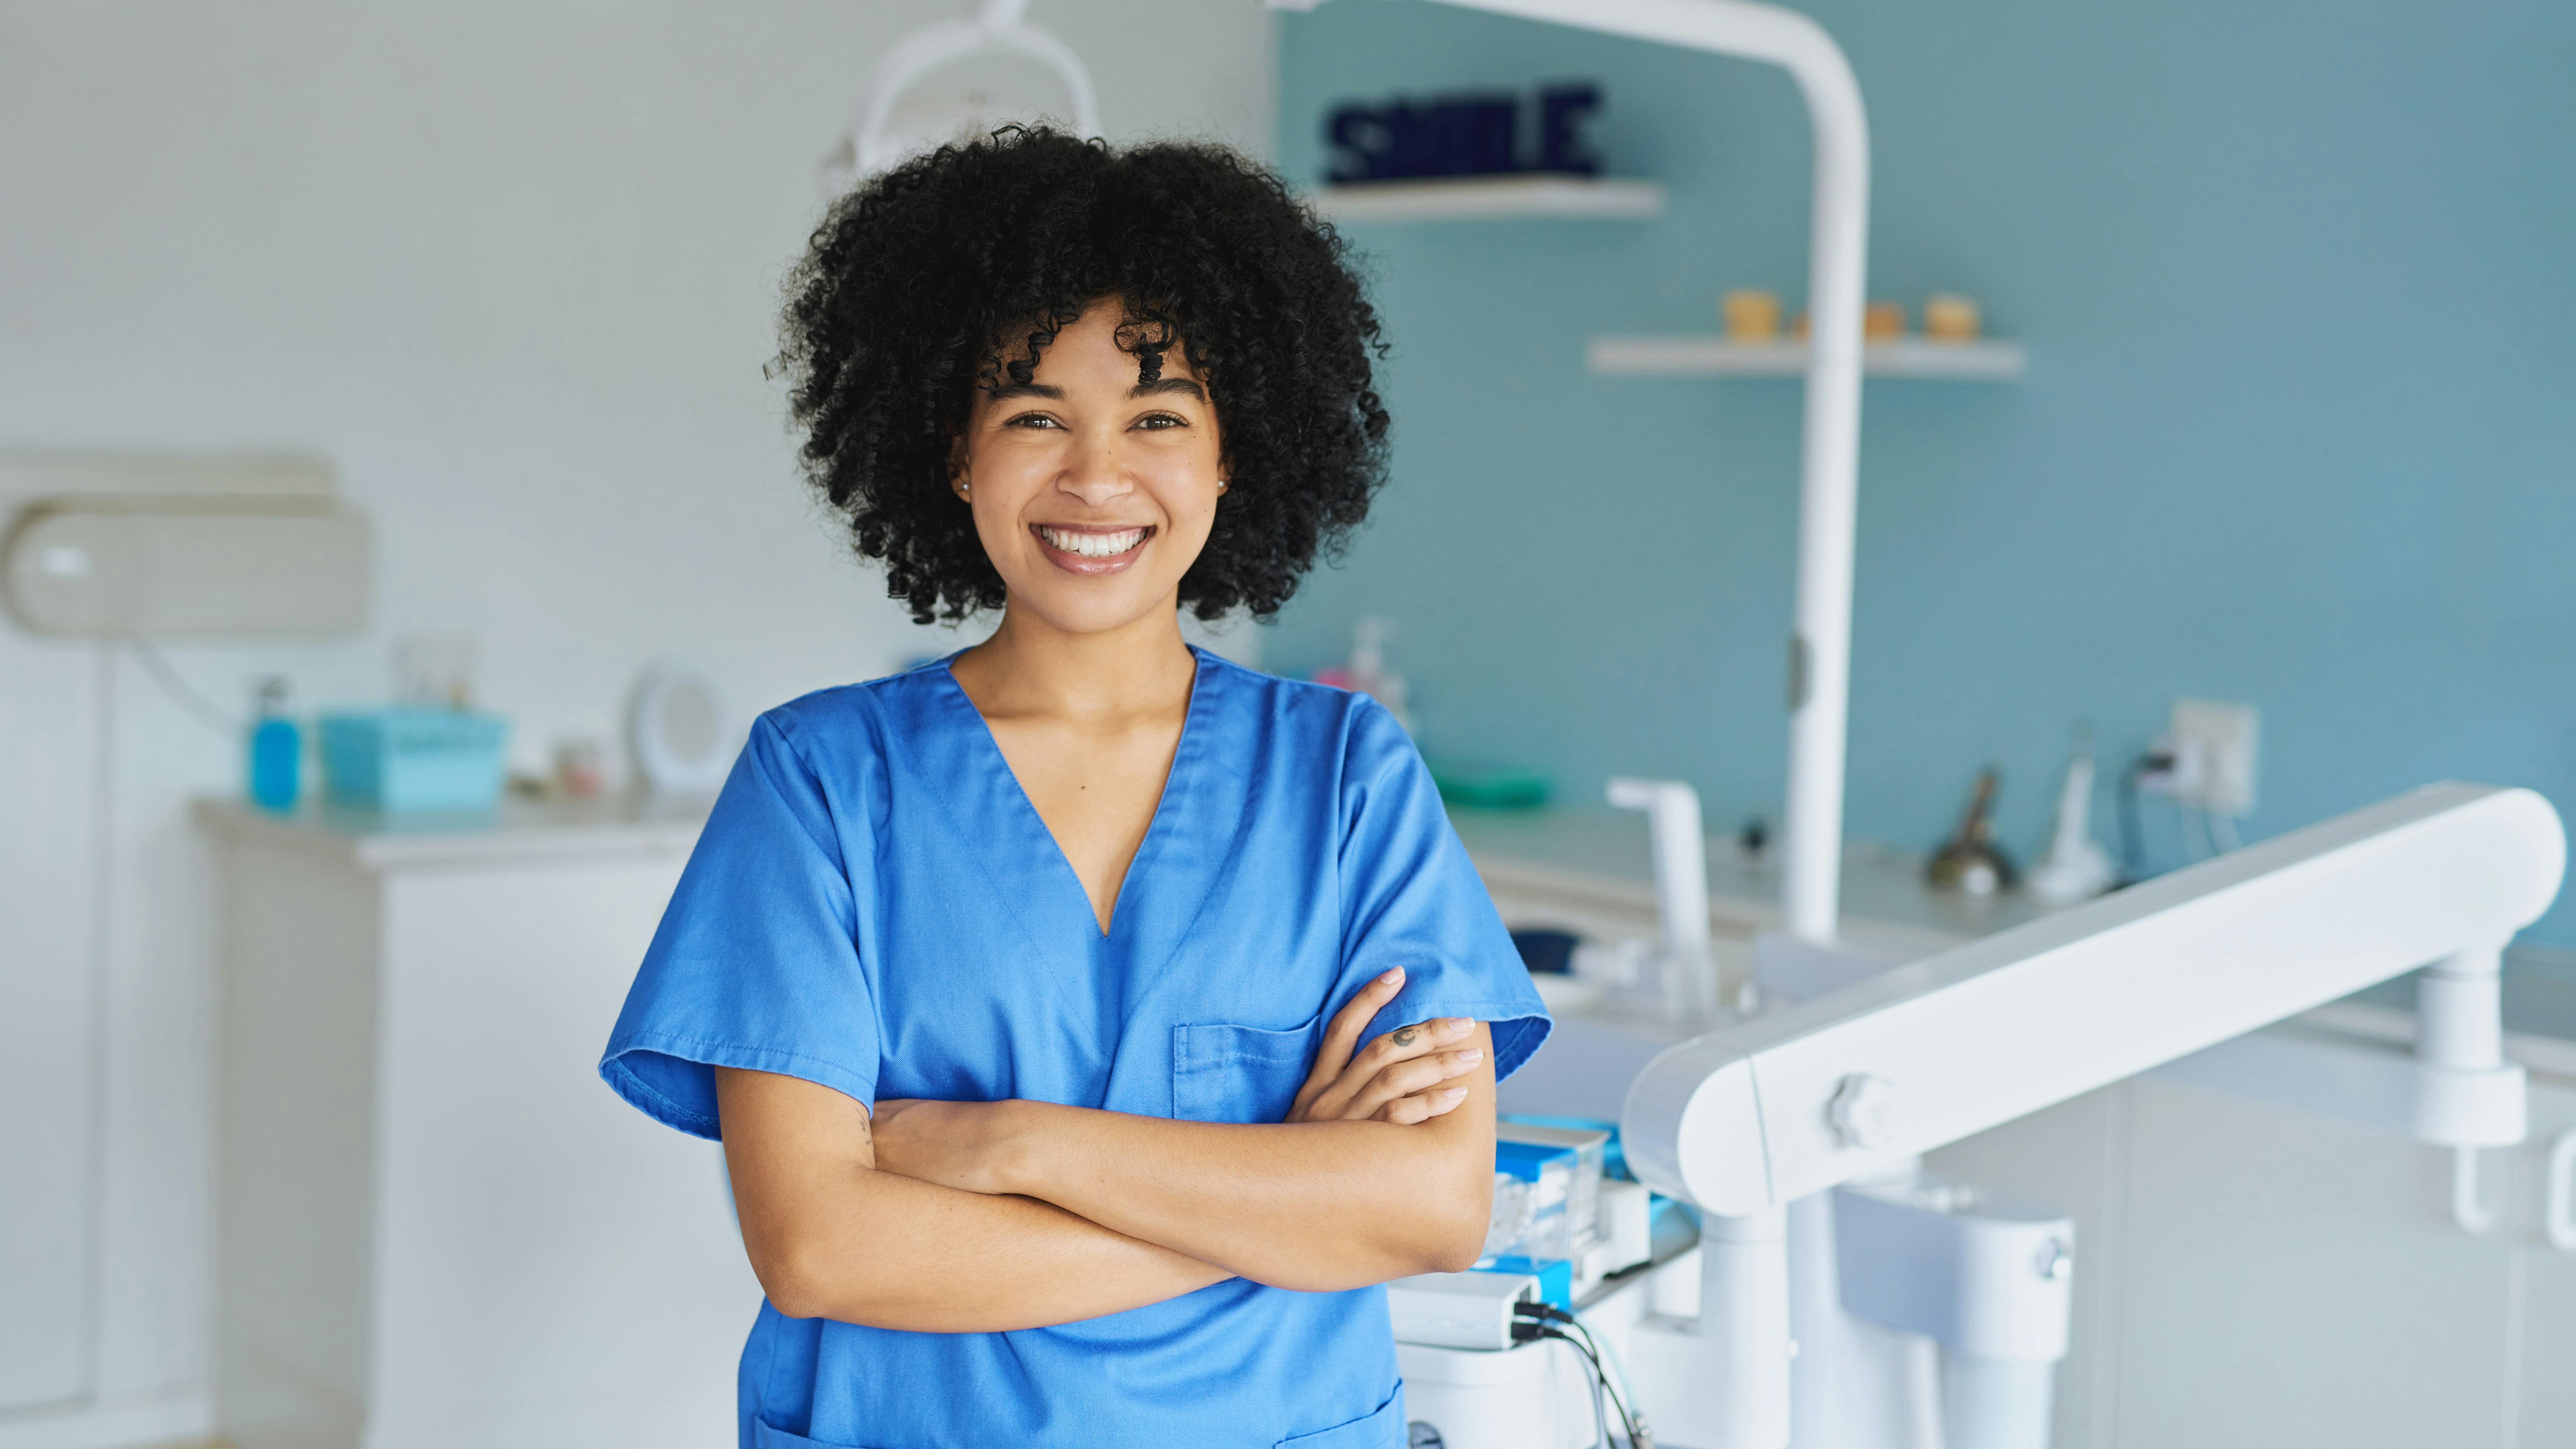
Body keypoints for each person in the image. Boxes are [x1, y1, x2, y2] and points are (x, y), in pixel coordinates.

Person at [600, 126, 1551, 1449]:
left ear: (1237, 450)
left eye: (1159, 417)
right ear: (953, 449)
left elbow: (1434, 1211)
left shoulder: (1347, 777)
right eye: (1035, 414)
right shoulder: (818, 783)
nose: (1096, 476)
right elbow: (823, 1246)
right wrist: (1282, 1213)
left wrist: (1020, 1147)